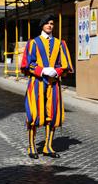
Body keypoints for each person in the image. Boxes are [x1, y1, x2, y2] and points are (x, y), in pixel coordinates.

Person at [21, 14, 73, 159]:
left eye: (52, 23)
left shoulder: (59, 43)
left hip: (53, 83)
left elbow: (65, 64)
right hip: (37, 82)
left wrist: (56, 71)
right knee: (34, 114)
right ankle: (32, 147)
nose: (50, 25)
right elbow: (27, 63)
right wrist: (42, 70)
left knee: (53, 114)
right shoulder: (33, 43)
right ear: (42, 25)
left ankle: (48, 147)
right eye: (47, 23)